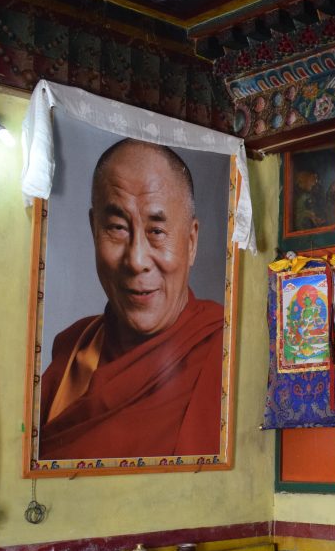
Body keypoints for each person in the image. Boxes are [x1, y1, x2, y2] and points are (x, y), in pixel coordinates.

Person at [38, 139, 224, 460]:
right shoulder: (72, 354)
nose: (137, 260)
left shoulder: (224, 350)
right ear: (94, 230)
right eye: (118, 228)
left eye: (157, 231)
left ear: (191, 242)